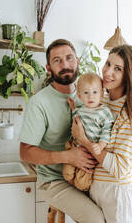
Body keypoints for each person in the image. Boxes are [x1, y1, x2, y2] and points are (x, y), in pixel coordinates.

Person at [19, 39, 105, 223]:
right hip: (54, 181)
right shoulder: (39, 103)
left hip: (87, 176)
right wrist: (68, 157)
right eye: (57, 60)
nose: (65, 65)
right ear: (48, 68)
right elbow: (25, 152)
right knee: (95, 219)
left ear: (78, 61)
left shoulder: (90, 96)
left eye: (69, 58)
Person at [71, 44, 132, 223]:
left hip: (117, 196)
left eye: (118, 69)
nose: (107, 72)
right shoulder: (101, 101)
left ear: (129, 75)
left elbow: (120, 169)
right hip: (96, 189)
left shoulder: (130, 113)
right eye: (108, 64)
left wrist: (83, 139)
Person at [63, 73, 115, 191]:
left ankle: (79, 188)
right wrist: (73, 107)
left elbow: (107, 130)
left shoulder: (104, 112)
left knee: (82, 184)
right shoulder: (81, 110)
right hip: (75, 147)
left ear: (102, 94)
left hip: (90, 153)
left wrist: (101, 145)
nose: (90, 97)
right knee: (66, 174)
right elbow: (76, 117)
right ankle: (72, 183)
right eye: (86, 93)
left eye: (95, 92)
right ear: (80, 96)